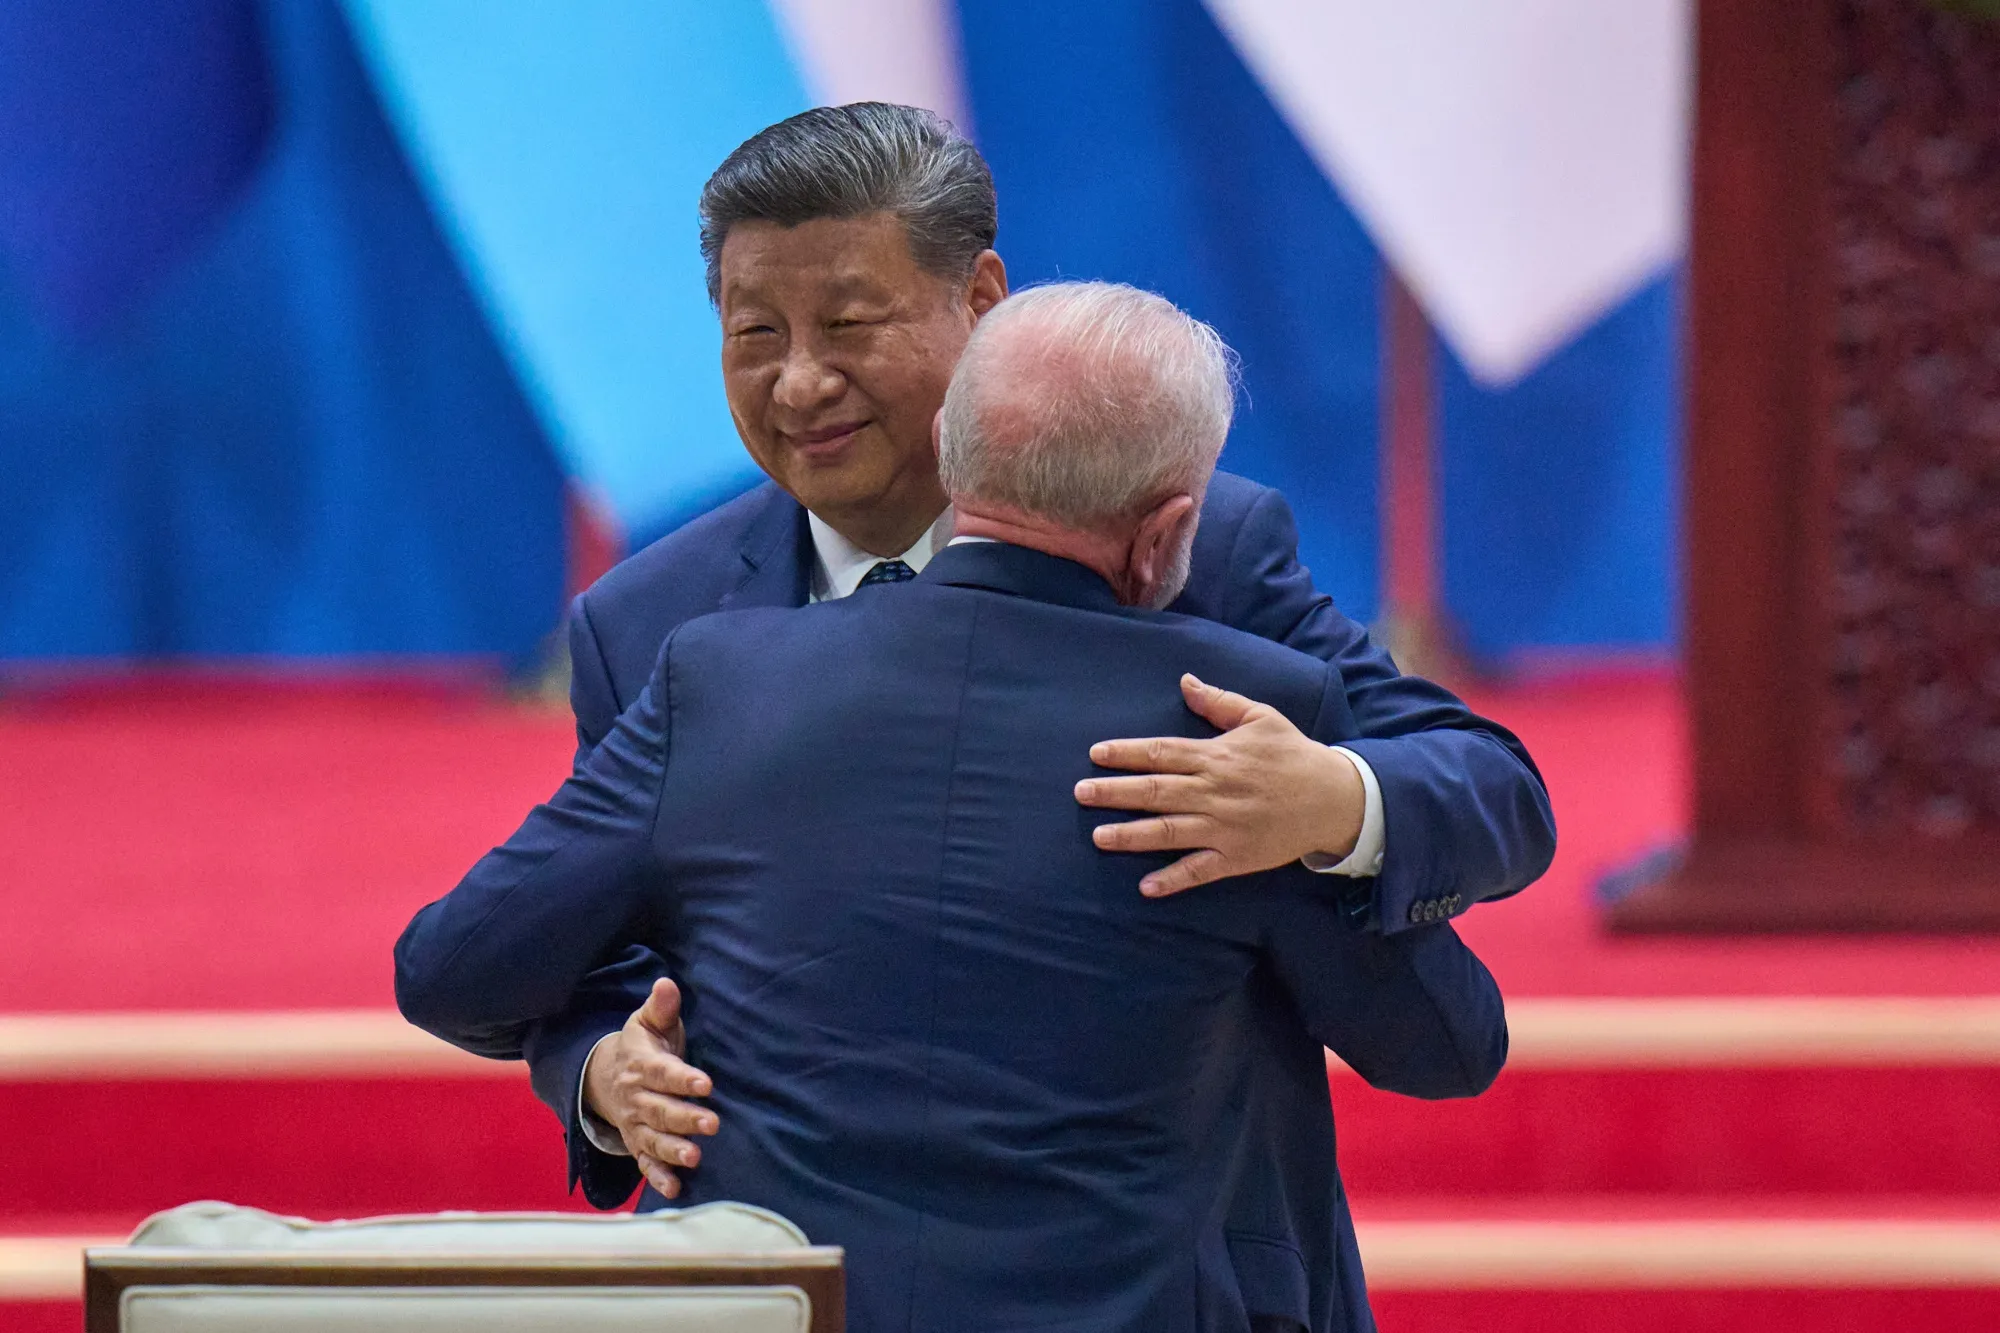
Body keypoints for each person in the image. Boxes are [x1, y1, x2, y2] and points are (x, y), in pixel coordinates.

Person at [512, 102, 1553, 1333]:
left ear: (981, 300)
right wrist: (599, 1069)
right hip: (796, 1288)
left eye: (847, 325)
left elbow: (1489, 787)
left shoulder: (1193, 541)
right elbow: (582, 947)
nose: (799, 381)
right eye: (754, 335)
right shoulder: (652, 621)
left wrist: (1330, 801)